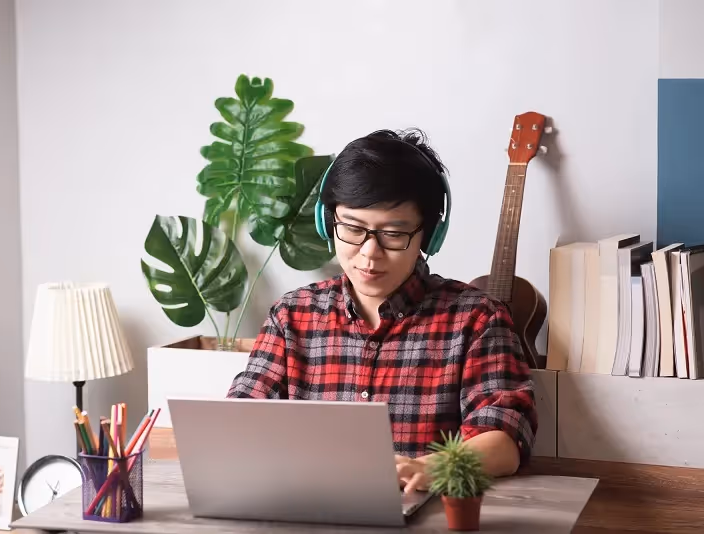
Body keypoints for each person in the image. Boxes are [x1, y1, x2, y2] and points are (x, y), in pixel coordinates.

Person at [226, 128, 538, 495]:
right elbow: (240, 420)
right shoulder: (291, 316)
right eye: (353, 229)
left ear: (430, 233)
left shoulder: (476, 319)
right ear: (328, 222)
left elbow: (504, 438)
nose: (369, 253)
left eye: (393, 233)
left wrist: (428, 468)